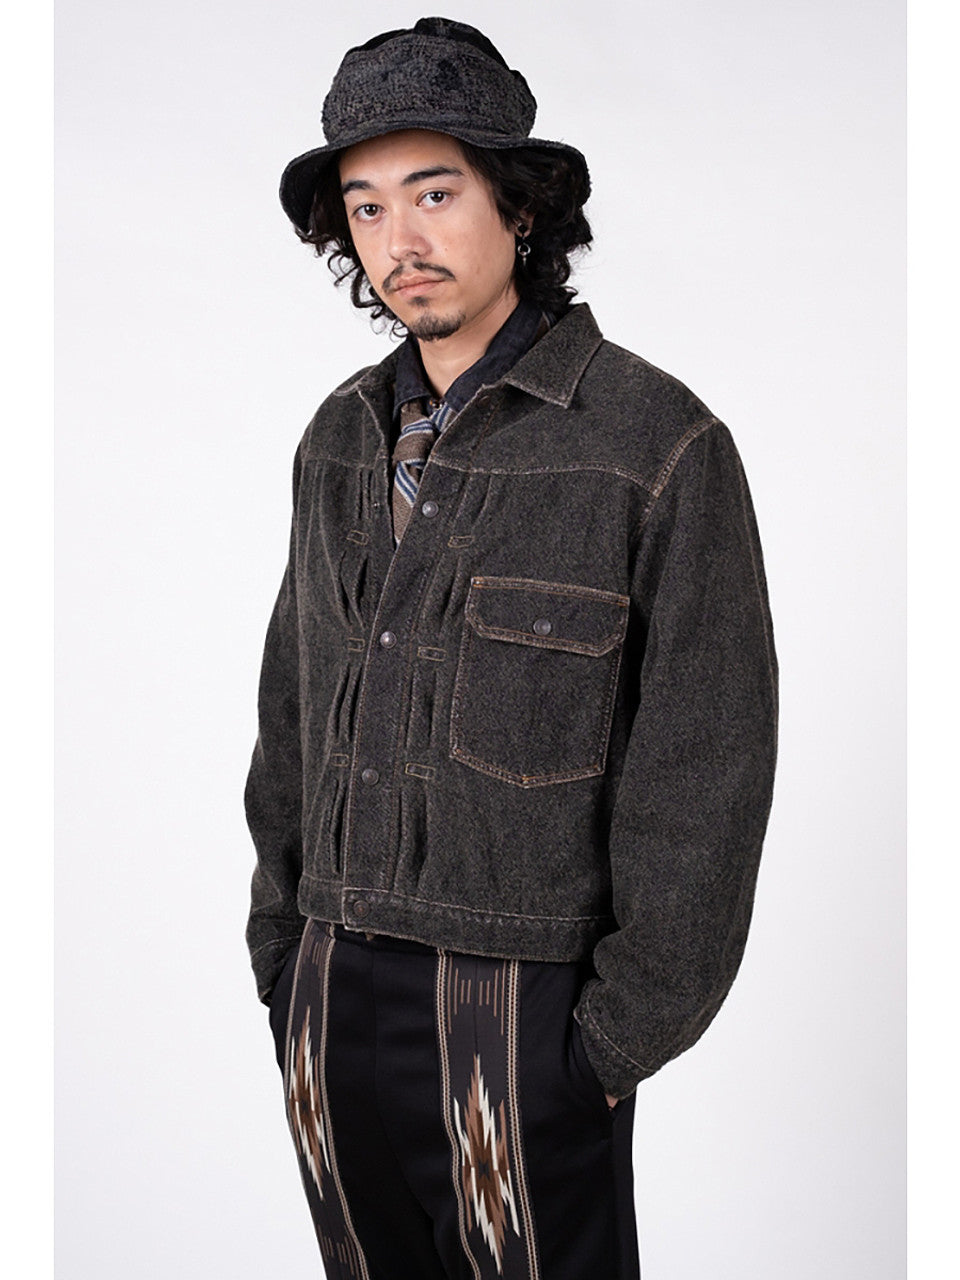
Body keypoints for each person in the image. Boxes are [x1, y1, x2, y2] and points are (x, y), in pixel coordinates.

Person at [244, 16, 778, 1279]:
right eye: (367, 207)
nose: (400, 240)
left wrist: (606, 1045)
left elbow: (706, 768)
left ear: (520, 206)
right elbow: (291, 709)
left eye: (435, 193)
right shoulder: (338, 438)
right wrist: (283, 956)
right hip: (330, 984)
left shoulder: (654, 446)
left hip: (521, 1010)